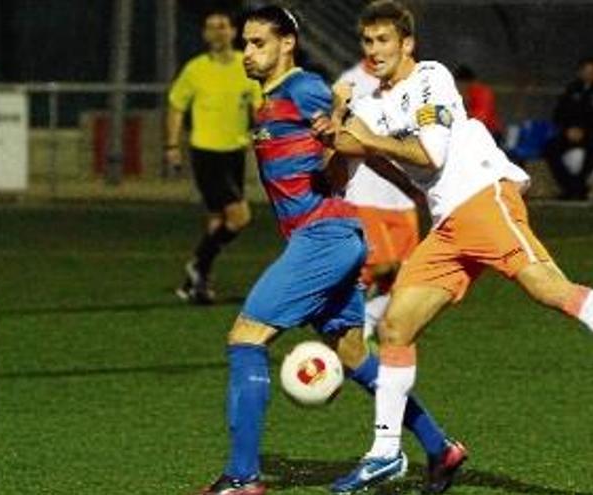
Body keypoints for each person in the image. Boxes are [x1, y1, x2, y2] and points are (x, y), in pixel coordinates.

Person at [322, 2, 593, 492]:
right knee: (394, 327)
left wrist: (366, 137)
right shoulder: (371, 103)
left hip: (482, 197)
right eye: (367, 42)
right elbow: (347, 142)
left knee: (549, 290)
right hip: (448, 222)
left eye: (384, 40)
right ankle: (386, 452)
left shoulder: (431, 78)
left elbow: (431, 152)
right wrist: (337, 114)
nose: (374, 51)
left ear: (407, 44)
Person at [198, 7, 463, 495]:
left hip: (323, 237)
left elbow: (352, 139)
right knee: (356, 356)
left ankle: (242, 478)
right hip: (332, 237)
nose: (248, 53)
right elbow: (343, 151)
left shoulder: (304, 89)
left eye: (259, 43)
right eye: (246, 43)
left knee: (245, 339)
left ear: (287, 45)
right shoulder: (267, 101)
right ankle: (440, 447)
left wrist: (413, 183)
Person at [167, 10, 262, 304]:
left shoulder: (246, 67)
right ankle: (197, 264)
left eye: (222, 27)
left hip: (234, 152)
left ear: (234, 32)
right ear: (205, 35)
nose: (217, 32)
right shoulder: (195, 69)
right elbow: (176, 106)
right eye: (211, 27)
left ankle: (195, 283)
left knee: (217, 220)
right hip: (206, 153)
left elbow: (259, 110)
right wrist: (171, 146)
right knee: (240, 216)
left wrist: (265, 139)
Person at [336, 59, 423, 340]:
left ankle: (368, 320)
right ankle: (345, 326)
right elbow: (340, 133)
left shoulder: (421, 81)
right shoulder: (351, 82)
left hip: (404, 197)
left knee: (407, 275)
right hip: (367, 191)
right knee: (376, 266)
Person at [545, 57, 593, 200]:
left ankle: (578, 186)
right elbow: (558, 114)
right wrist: (568, 129)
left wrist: (585, 131)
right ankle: (570, 185)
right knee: (550, 148)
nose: (590, 74)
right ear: (580, 72)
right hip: (570, 133)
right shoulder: (571, 90)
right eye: (587, 71)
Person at [453, 64, 504, 143]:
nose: (456, 86)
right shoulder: (460, 93)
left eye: (458, 83)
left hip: (490, 133)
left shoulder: (483, 93)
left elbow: (482, 118)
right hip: (471, 132)